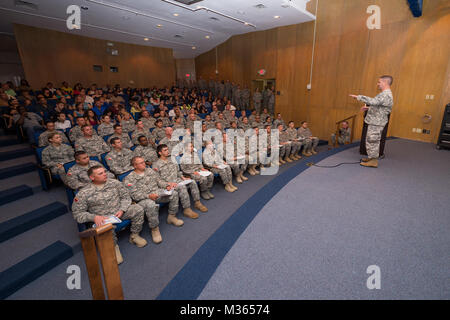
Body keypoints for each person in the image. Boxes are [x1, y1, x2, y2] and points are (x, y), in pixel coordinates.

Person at [72, 166, 147, 265]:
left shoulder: (114, 183)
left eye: (104, 172)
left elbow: (126, 197)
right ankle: (113, 247)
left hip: (118, 212)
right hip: (103, 218)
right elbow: (77, 214)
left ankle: (134, 235)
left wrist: (122, 209)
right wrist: (94, 217)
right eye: (100, 173)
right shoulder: (84, 193)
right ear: (92, 178)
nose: (105, 174)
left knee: (138, 209)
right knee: (106, 226)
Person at [124, 156, 182, 244]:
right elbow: (134, 195)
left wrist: (167, 185)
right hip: (143, 199)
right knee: (150, 204)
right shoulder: (129, 178)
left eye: (144, 162)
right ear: (134, 166)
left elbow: (159, 181)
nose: (144, 164)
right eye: (141, 163)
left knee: (174, 194)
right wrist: (148, 196)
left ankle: (172, 216)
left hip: (156, 192)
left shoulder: (149, 170)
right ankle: (154, 229)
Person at [153, 144, 208, 219]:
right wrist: (167, 184)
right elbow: (158, 180)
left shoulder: (172, 159)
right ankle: (187, 209)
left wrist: (183, 178)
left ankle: (197, 202)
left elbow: (178, 171)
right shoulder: (156, 164)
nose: (167, 151)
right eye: (165, 150)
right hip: (169, 185)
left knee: (192, 182)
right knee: (181, 187)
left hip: (178, 180)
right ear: (160, 153)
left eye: (167, 149)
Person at [350, 75, 394, 168]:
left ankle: (373, 161)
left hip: (377, 122)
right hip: (376, 121)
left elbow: (373, 101)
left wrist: (358, 97)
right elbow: (379, 106)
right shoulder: (385, 94)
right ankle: (371, 158)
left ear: (385, 82)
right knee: (371, 140)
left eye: (379, 82)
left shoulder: (386, 94)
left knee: (373, 140)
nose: (378, 84)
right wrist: (369, 108)